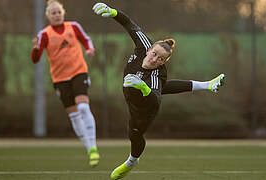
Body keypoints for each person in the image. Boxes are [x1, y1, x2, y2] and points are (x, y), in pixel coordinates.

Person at [92, 2, 225, 179]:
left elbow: (155, 99)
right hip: (136, 92)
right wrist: (112, 11)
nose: (154, 59)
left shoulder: (157, 74)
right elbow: (129, 24)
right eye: (154, 54)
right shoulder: (143, 45)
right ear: (149, 49)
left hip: (145, 106)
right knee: (163, 87)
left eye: (160, 59)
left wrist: (142, 86)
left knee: (134, 132)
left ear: (164, 62)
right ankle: (207, 85)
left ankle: (132, 161)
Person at [31, 0, 99, 167]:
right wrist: (35, 49)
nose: (56, 15)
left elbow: (86, 40)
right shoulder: (44, 34)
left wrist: (89, 49)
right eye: (53, 13)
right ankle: (89, 148)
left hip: (79, 72)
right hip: (60, 79)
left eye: (59, 12)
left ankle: (94, 147)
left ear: (63, 13)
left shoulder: (73, 26)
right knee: (74, 115)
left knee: (83, 107)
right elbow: (35, 59)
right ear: (48, 16)